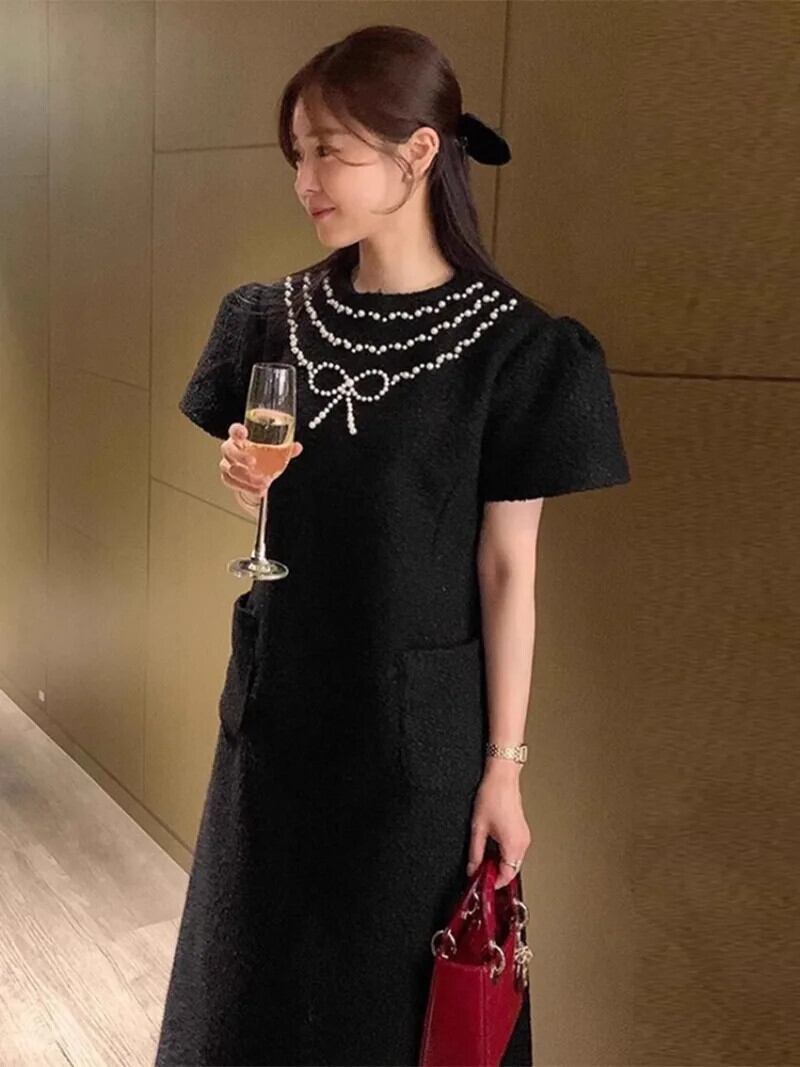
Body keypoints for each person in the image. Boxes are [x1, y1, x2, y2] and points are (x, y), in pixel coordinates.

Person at [154, 23, 631, 1067]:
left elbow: (507, 570)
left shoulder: (517, 351)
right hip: (278, 718)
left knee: (385, 1013)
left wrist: (503, 769)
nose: (305, 180)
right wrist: (247, 488)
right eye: (296, 153)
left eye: (328, 151)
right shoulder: (270, 319)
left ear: (416, 153)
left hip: (417, 751)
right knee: (251, 994)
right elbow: (295, 514)